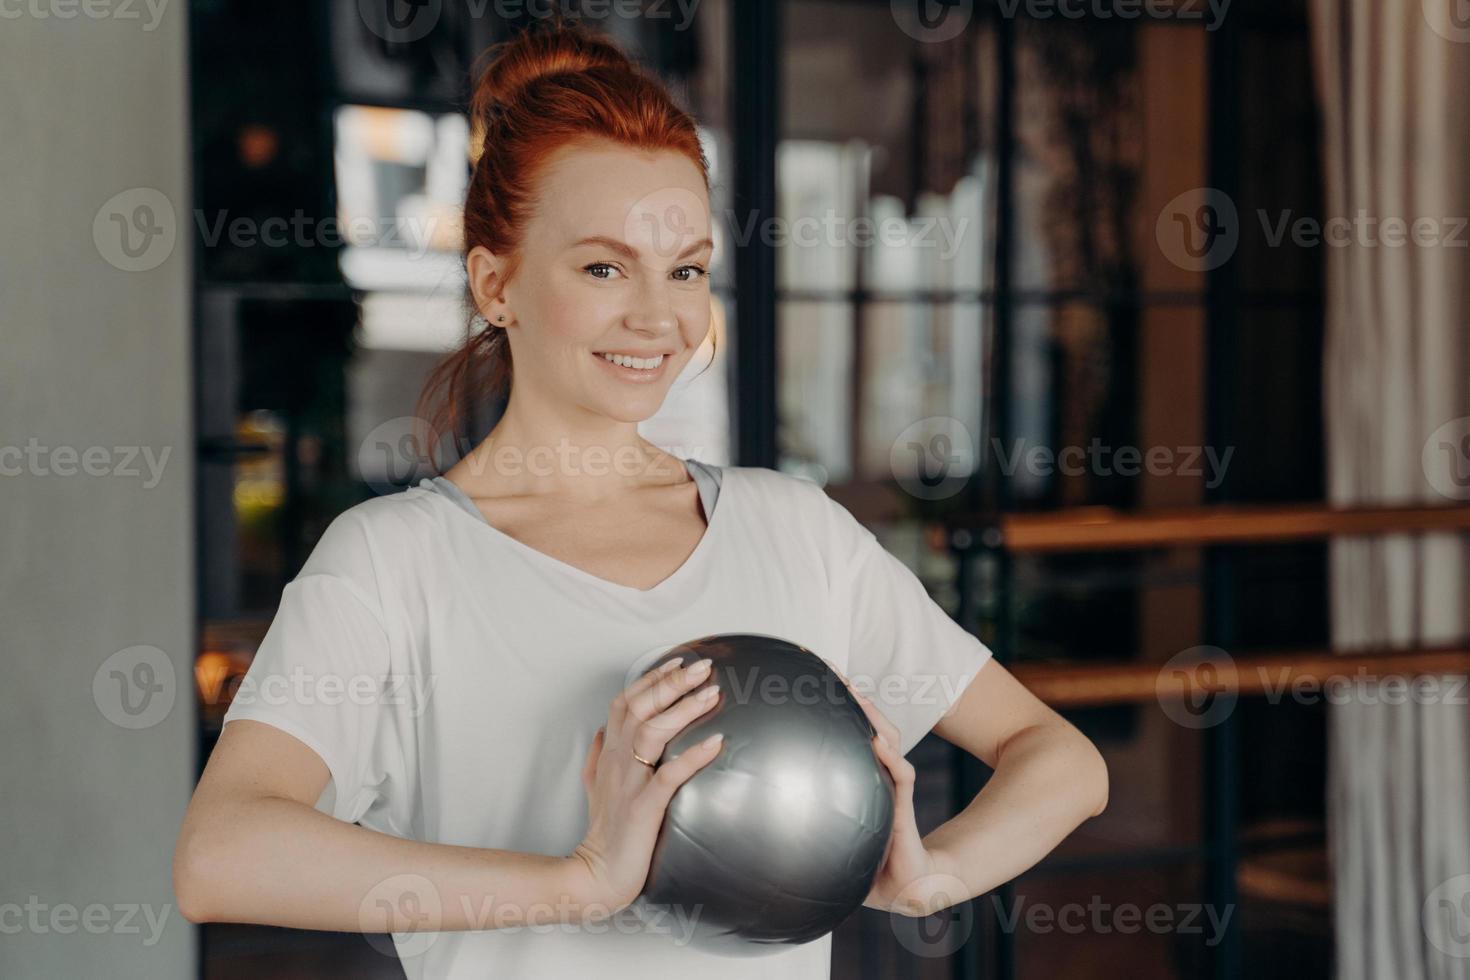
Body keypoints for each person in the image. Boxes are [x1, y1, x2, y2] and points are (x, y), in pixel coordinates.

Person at [172, 20, 1108, 980]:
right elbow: (221, 857)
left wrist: (930, 877)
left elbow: (1061, 758)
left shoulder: (794, 532)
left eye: (687, 269)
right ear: (497, 283)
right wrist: (581, 881)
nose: (657, 317)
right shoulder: (391, 562)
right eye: (603, 267)